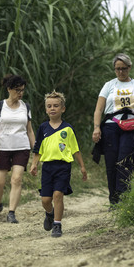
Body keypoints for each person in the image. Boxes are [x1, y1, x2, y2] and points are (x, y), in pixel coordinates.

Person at [92, 53, 134, 208]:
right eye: (117, 69)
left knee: (125, 160)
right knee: (111, 162)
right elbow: (99, 109)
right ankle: (113, 200)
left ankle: (124, 198)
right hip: (111, 126)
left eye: (123, 69)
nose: (120, 72)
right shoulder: (109, 85)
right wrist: (96, 128)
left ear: (129, 68)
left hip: (132, 126)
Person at [30, 90, 87, 237]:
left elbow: (75, 150)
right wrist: (34, 164)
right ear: (46, 109)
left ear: (63, 109)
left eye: (56, 105)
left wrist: (82, 167)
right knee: (45, 200)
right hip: (47, 167)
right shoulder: (43, 128)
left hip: (63, 167)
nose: (52, 108)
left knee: (58, 195)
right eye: (49, 106)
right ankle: (50, 214)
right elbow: (38, 149)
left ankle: (57, 224)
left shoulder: (67, 129)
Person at [0, 75, 35, 223]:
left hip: (22, 147)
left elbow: (29, 131)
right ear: (9, 89)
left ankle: (11, 212)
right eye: (17, 90)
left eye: (22, 90)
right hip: (2, 148)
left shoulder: (25, 107)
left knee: (16, 179)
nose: (20, 93)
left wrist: (37, 151)